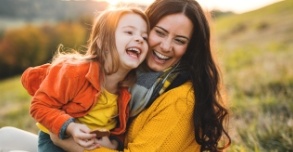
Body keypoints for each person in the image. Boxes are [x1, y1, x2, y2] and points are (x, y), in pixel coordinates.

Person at [0, 0, 231, 151]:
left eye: (180, 41)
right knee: (7, 137)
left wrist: (67, 138)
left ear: (191, 48)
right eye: (158, 33)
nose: (166, 46)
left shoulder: (180, 97)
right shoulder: (132, 79)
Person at [20, 7, 149, 152]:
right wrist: (70, 127)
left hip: (91, 145)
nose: (139, 39)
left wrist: (114, 143)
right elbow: (39, 106)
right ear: (102, 42)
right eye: (129, 32)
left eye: (145, 37)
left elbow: (117, 128)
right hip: (57, 139)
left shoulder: (128, 90)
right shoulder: (74, 72)